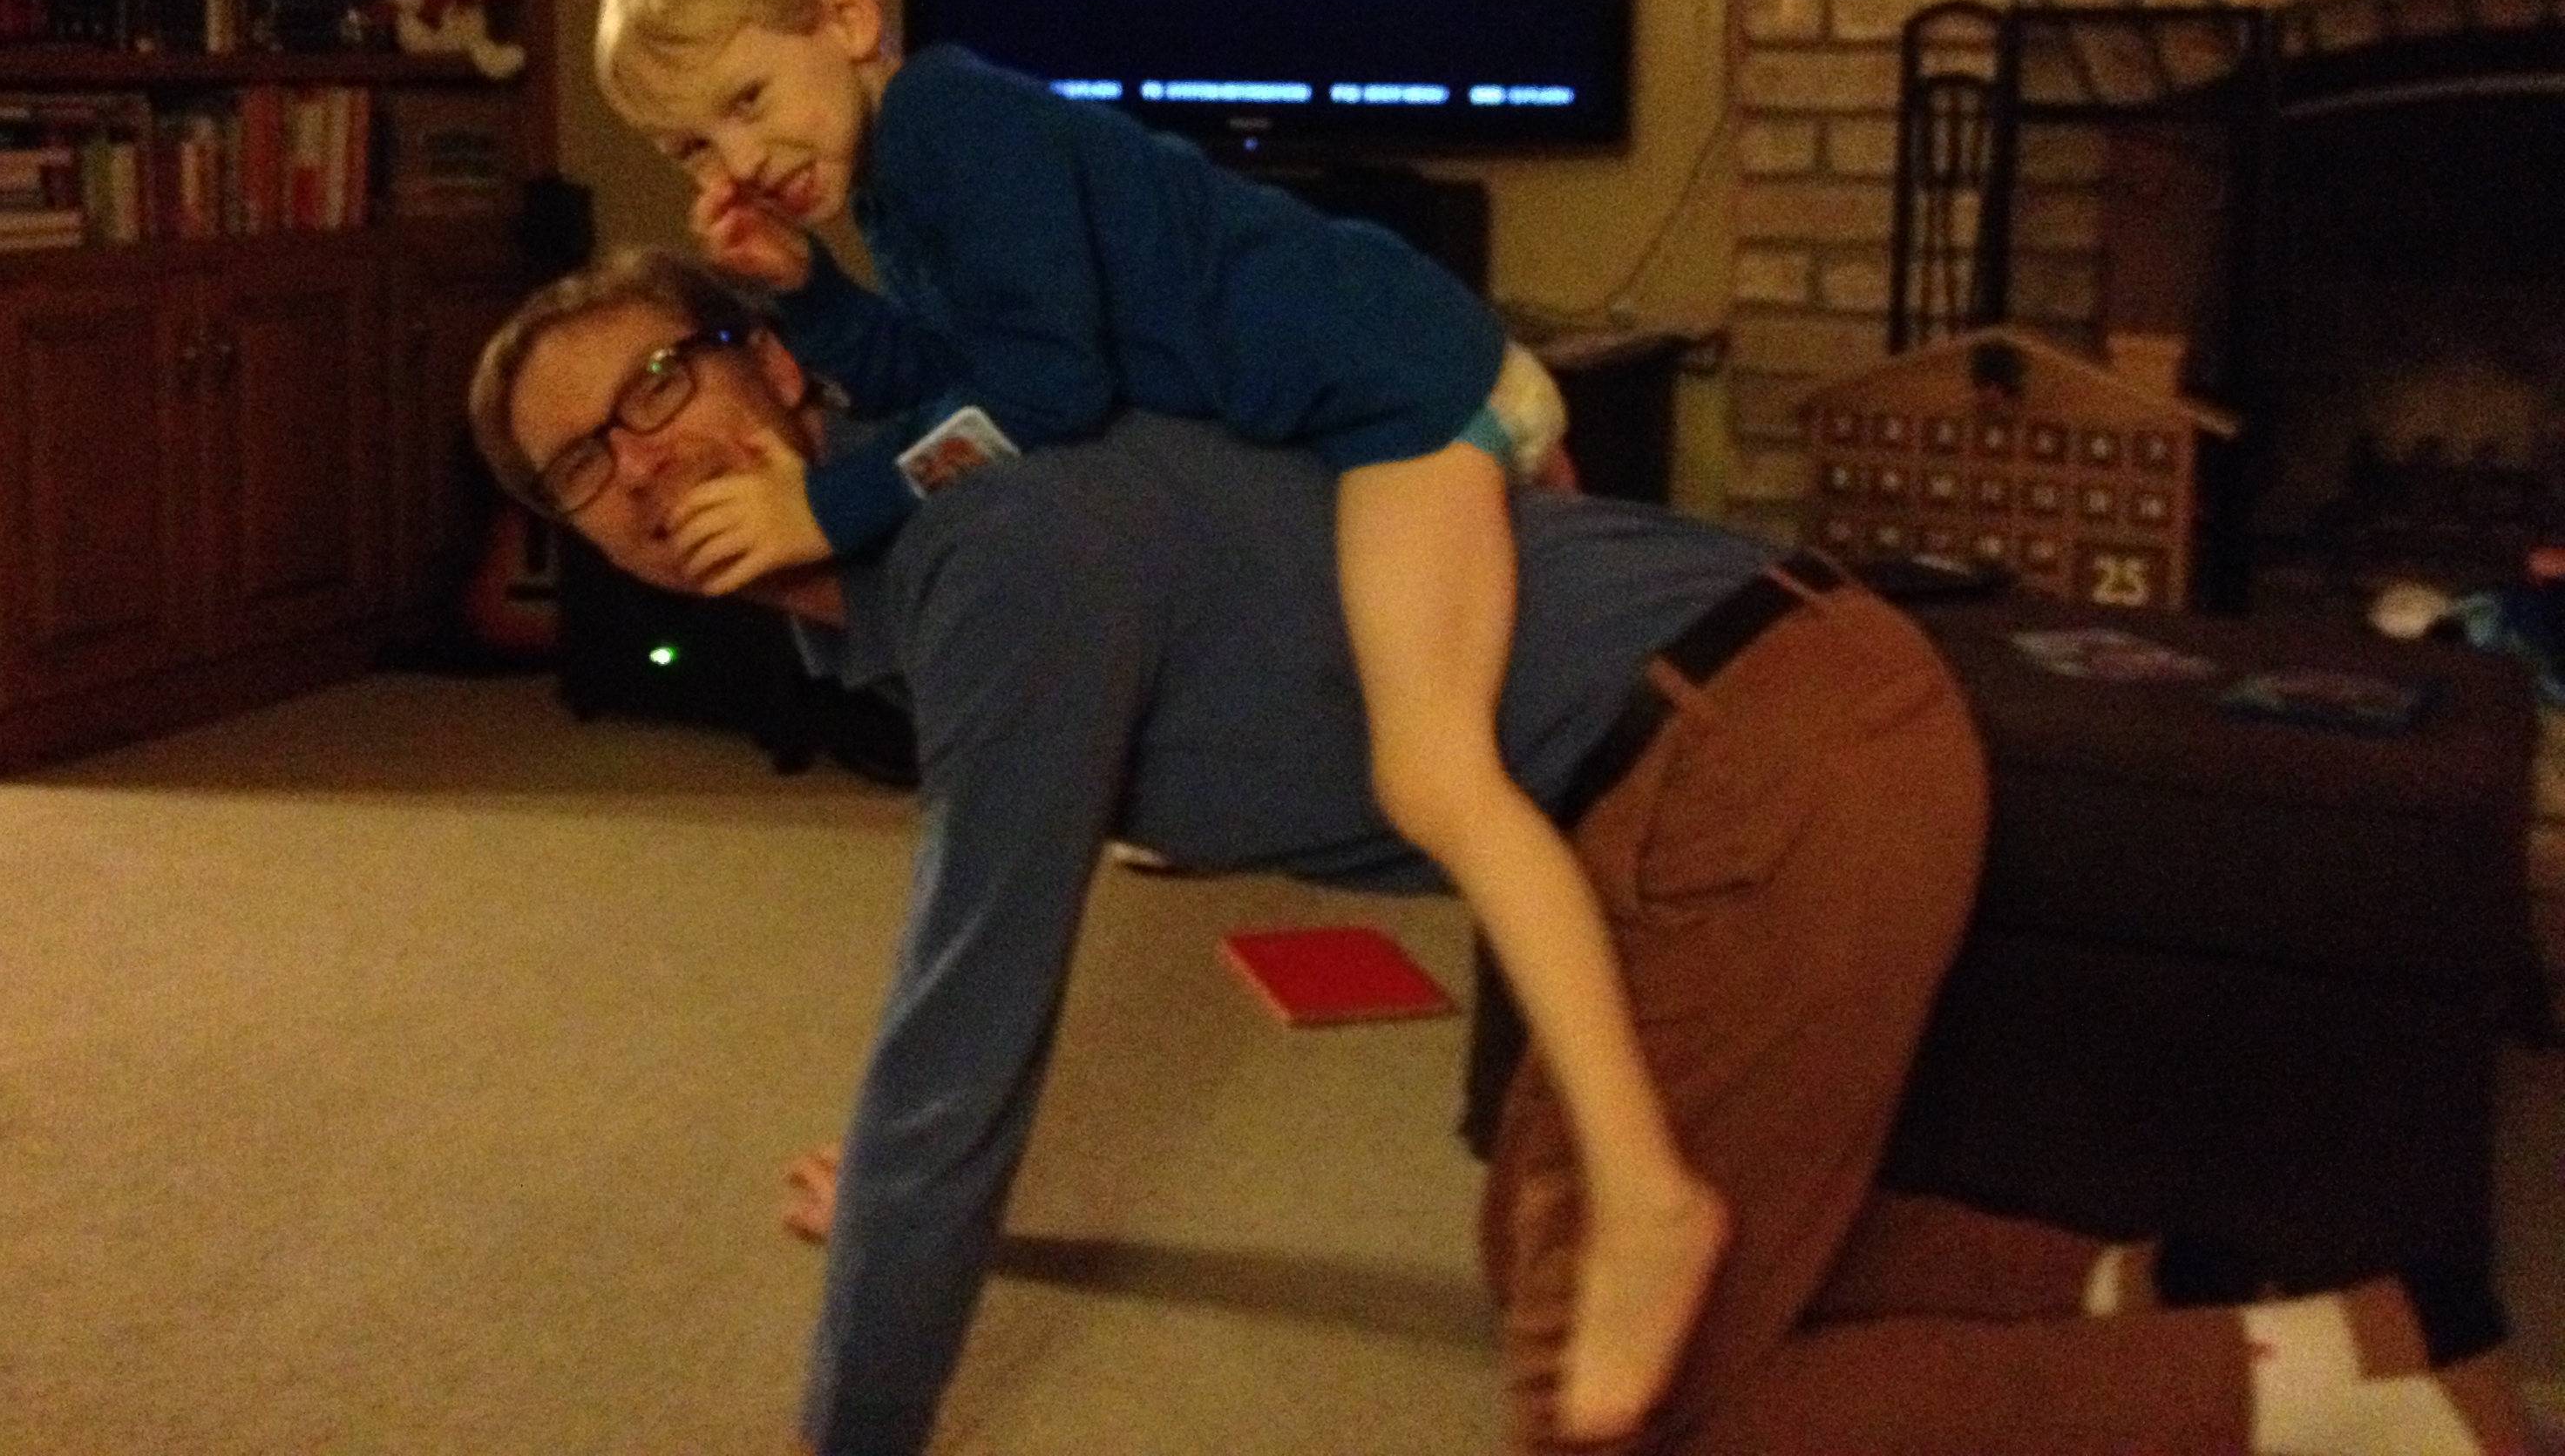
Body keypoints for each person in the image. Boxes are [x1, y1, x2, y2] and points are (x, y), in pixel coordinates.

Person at [467, 246, 2534, 1456]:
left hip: (1754, 758)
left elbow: (969, 1002)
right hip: (1686, 773)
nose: (639, 461)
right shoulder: (901, 580)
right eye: (580, 464)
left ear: (772, 360)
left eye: (657, 383)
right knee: (1540, 1245)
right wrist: (908, 1179)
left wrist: (856, 1402)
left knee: (1628, 1410)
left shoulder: (985, 544)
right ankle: (2159, 1293)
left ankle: (2340, 1402)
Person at [590, 0, 1718, 1439]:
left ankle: (1651, 1197)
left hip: (1406, 392)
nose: (740, 157)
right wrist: (810, 290)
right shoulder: (905, 170)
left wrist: (827, 502)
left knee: (1436, 777)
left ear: (845, 17)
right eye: (694, 149)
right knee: (1442, 746)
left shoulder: (958, 131)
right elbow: (959, 375)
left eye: (747, 97)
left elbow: (1046, 399)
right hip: (1365, 392)